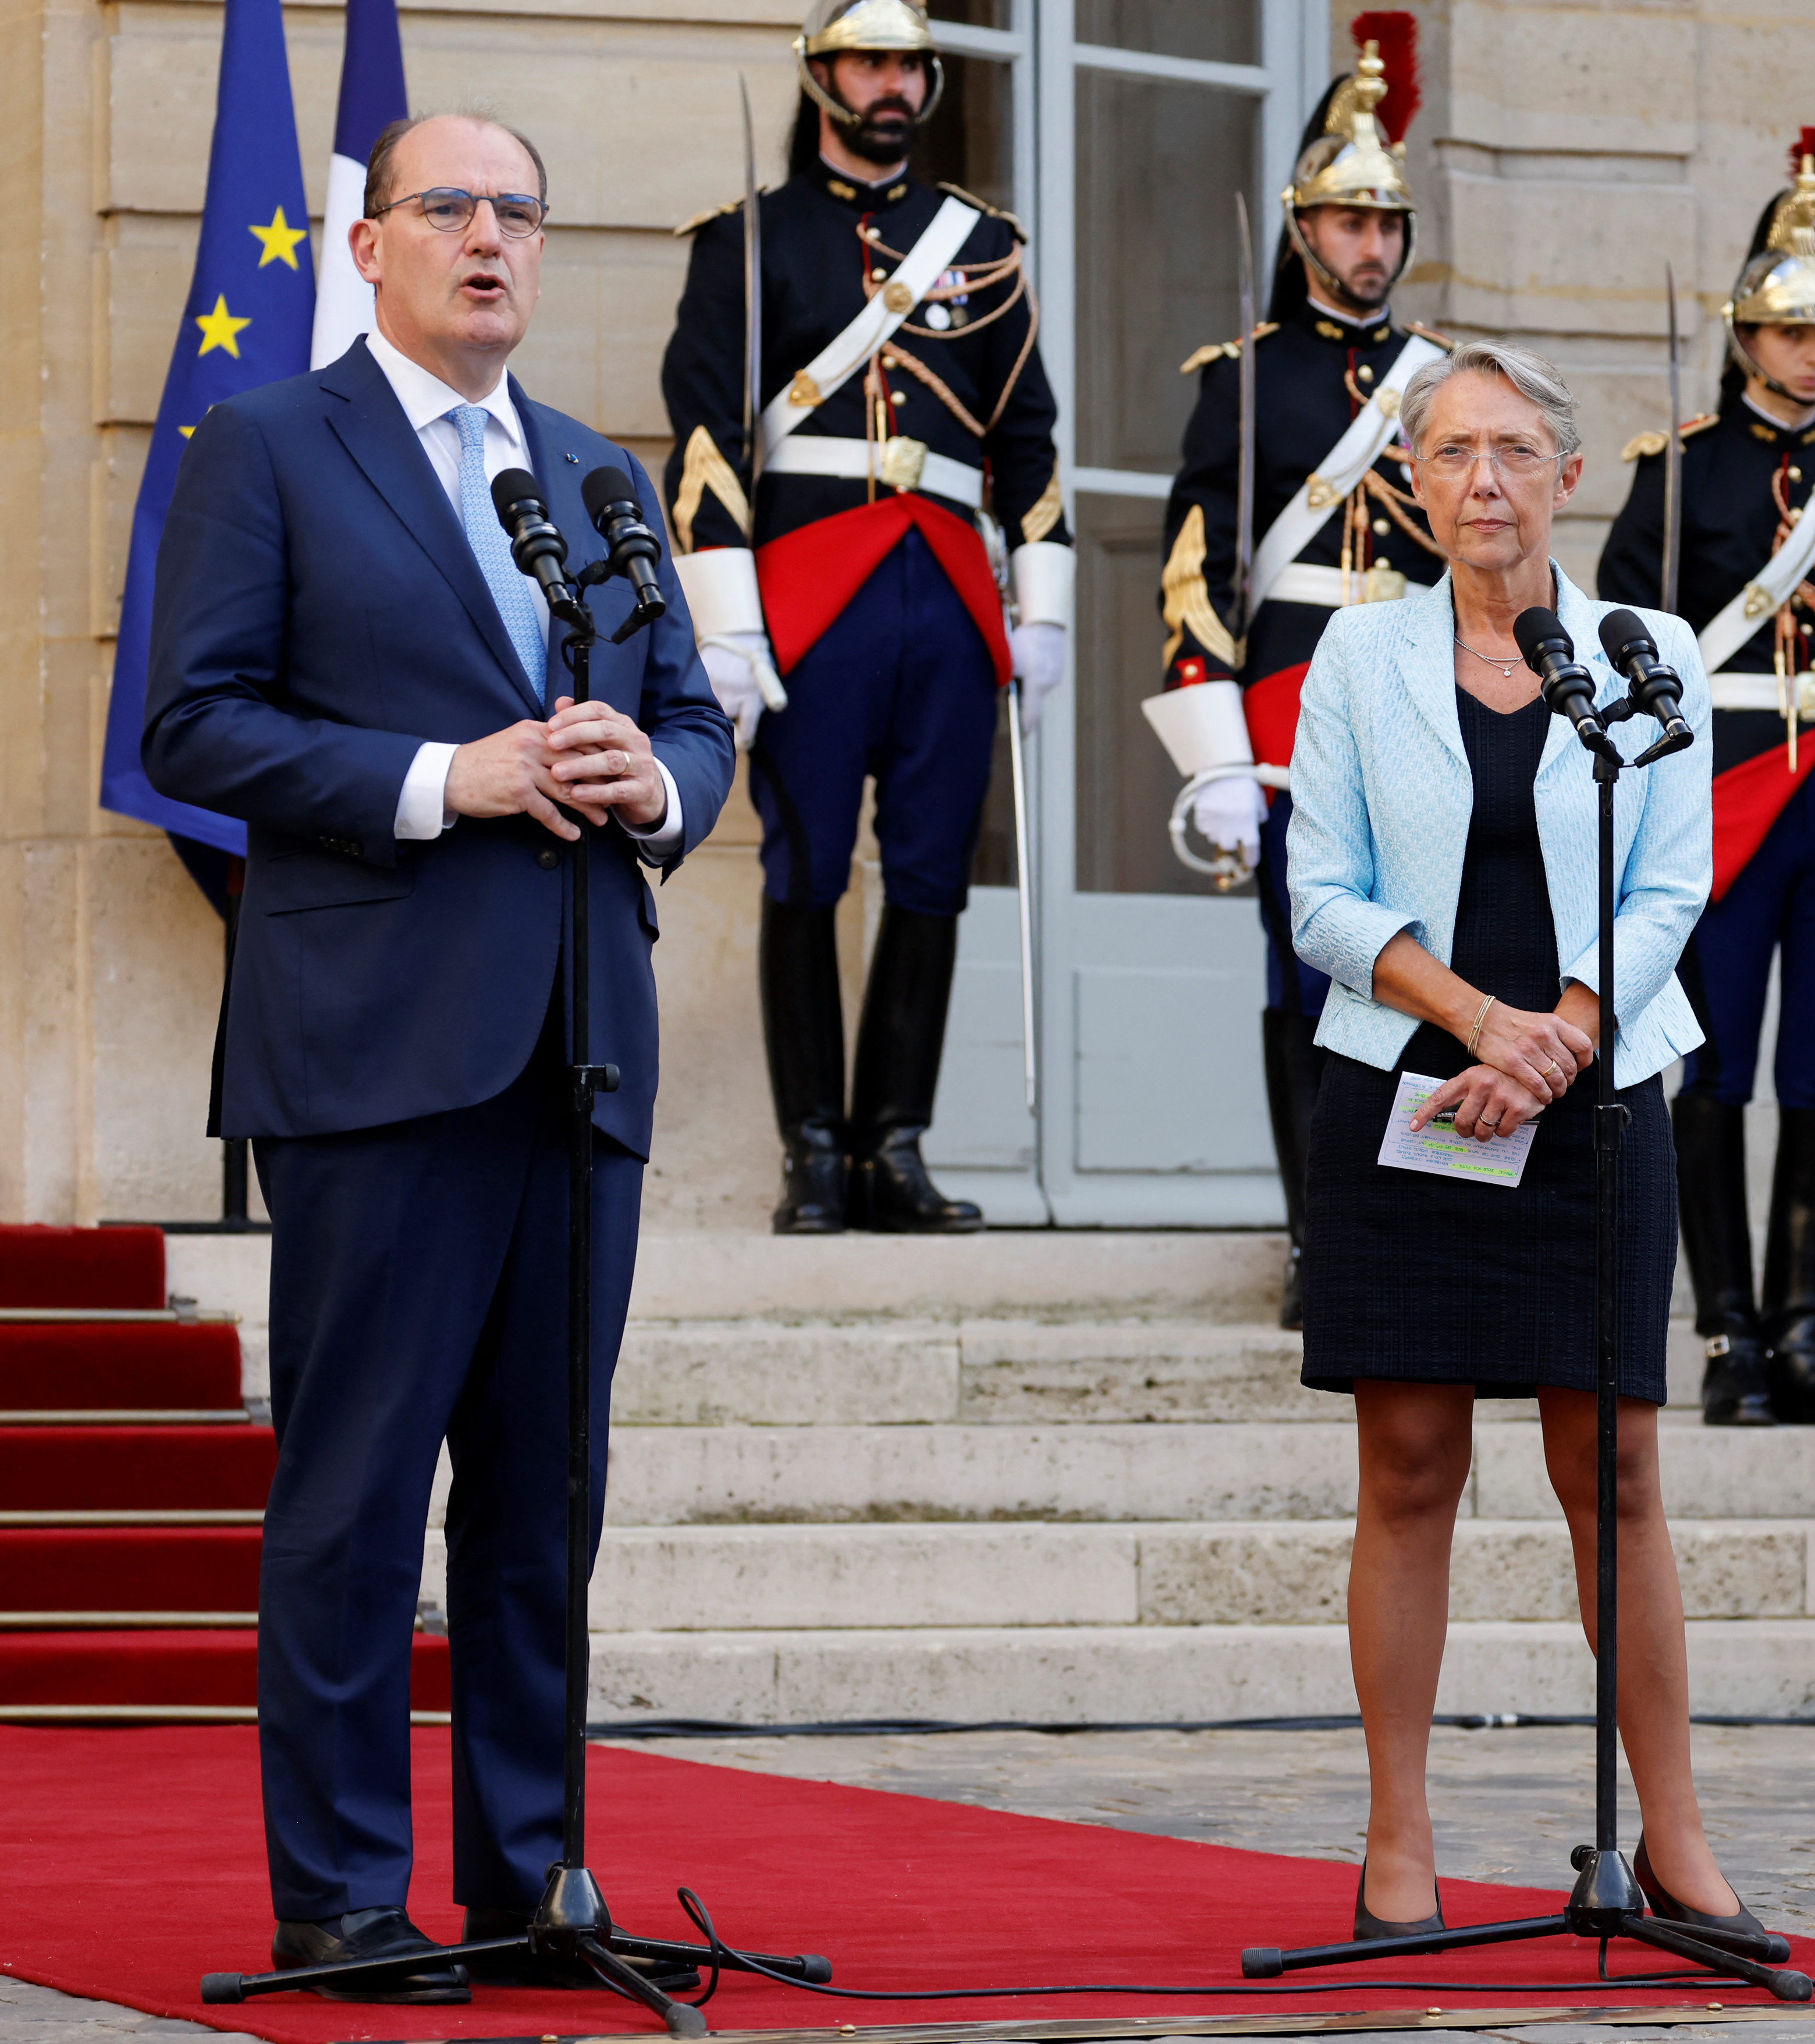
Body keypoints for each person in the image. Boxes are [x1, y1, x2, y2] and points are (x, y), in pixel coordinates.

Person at [141, 114, 736, 1997]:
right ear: (373, 243)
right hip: (377, 1053)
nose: (489, 238)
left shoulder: (599, 476)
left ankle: (529, 1878)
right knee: (357, 1494)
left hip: (582, 1047)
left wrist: (662, 786)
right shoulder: (272, 446)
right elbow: (194, 727)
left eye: (519, 213)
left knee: (545, 1493)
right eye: (449, 208)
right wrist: (438, 780)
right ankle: (336, 1891)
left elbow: (696, 723)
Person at [1287, 340, 1750, 1939]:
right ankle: (1398, 1836)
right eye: (1449, 454)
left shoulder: (1650, 651)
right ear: (1412, 488)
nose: (1481, 480)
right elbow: (1323, 897)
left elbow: (1672, 885)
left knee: (1612, 1468)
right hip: (1409, 1095)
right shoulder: (1357, 658)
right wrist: (1485, 1026)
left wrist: (1558, 1037)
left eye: (1511, 451)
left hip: (1598, 1099)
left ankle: (1676, 1838)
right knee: (1409, 1463)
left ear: (1567, 475)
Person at [659, 0, 1071, 1234]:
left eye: (908, 64)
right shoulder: (747, 240)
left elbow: (1030, 440)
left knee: (933, 873)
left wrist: (1040, 606)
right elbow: (702, 440)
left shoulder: (984, 248)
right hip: (810, 590)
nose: (891, 84)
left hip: (947, 587)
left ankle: (896, 1146)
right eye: (869, 62)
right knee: (807, 865)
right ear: (822, 76)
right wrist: (726, 616)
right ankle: (813, 1153)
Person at [1597, 133, 1815, 1429]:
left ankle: (1801, 1334)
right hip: (1720, 791)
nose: (1813, 355)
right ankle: (1727, 1334)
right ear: (1744, 337)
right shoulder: (1675, 474)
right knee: (1715, 1071)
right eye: (1791, 334)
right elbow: (1625, 640)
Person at [1157, 20, 1446, 1328]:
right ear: (1303, 229)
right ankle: (1318, 1231)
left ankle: (1415, 1215)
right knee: (1310, 975)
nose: (1369, 247)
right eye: (1346, 223)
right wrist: (1212, 748)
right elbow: (1194, 570)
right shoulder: (1245, 378)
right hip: (1287, 697)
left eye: (1385, 224)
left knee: (1431, 962)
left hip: (1428, 696)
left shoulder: (1447, 383)